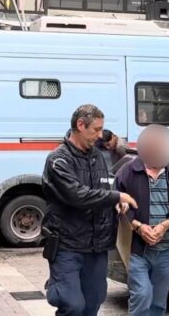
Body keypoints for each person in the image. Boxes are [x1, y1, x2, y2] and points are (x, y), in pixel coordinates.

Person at [42, 104, 137, 316]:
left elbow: (105, 188)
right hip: (67, 245)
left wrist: (116, 202)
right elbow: (77, 195)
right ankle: (59, 288)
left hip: (97, 247)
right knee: (72, 304)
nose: (100, 135)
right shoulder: (58, 160)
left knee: (93, 302)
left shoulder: (98, 157)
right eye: (96, 129)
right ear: (80, 125)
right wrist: (116, 197)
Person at [115, 125, 169, 316]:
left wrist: (165, 225)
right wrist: (138, 227)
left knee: (158, 303)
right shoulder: (128, 172)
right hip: (137, 251)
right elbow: (117, 205)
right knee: (142, 296)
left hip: (166, 250)